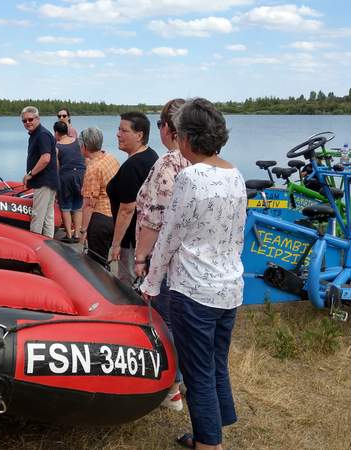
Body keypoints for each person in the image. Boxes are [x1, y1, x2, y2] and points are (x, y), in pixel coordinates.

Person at [139, 98, 247, 450]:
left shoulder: (190, 177)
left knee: (198, 372)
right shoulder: (235, 174)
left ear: (186, 138)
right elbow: (237, 232)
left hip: (194, 290)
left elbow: (169, 235)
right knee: (216, 363)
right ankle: (216, 426)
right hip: (229, 287)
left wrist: (151, 282)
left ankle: (208, 443)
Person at [134, 99, 191, 411]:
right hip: (188, 259)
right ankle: (182, 380)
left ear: (169, 128)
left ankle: (171, 386)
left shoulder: (168, 163)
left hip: (164, 257)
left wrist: (141, 258)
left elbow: (155, 217)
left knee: (164, 320)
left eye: (159, 124)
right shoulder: (200, 161)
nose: (159, 129)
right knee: (180, 321)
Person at [106, 111, 158, 285]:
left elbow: (127, 209)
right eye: (118, 129)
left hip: (130, 241)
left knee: (127, 285)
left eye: (124, 130)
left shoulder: (133, 166)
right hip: (146, 237)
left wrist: (116, 244)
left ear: (139, 135)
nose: (118, 134)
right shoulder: (151, 155)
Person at [77, 127, 120, 266]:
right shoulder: (111, 158)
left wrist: (83, 231)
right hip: (114, 215)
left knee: (96, 264)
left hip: (100, 219)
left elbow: (89, 205)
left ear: (84, 146)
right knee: (103, 258)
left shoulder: (93, 169)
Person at [21, 106, 59, 238]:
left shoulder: (42, 134)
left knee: (37, 215)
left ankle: (35, 244)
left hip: (44, 182)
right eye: (24, 121)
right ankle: (49, 243)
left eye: (30, 119)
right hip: (49, 181)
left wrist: (30, 174)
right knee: (48, 216)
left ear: (38, 118)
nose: (27, 122)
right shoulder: (37, 134)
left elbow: (45, 158)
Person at [53, 121, 85, 243]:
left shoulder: (57, 147)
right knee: (78, 206)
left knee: (65, 206)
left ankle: (69, 235)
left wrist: (56, 186)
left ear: (56, 132)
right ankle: (77, 234)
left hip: (65, 177)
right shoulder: (77, 142)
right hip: (80, 176)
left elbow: (56, 167)